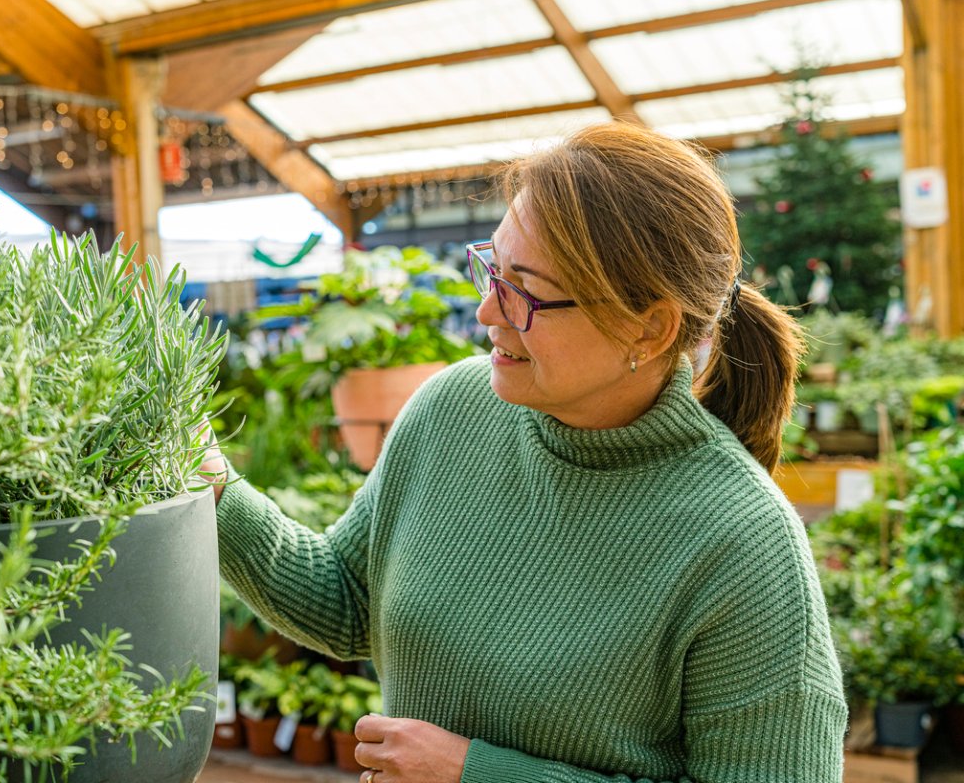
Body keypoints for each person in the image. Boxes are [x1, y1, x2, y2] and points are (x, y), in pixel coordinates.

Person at [200, 121, 847, 783]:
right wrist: (213, 487)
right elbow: (348, 601)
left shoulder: (744, 543)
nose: (487, 311)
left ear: (648, 328)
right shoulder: (450, 409)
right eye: (492, 268)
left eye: (526, 290)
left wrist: (474, 774)